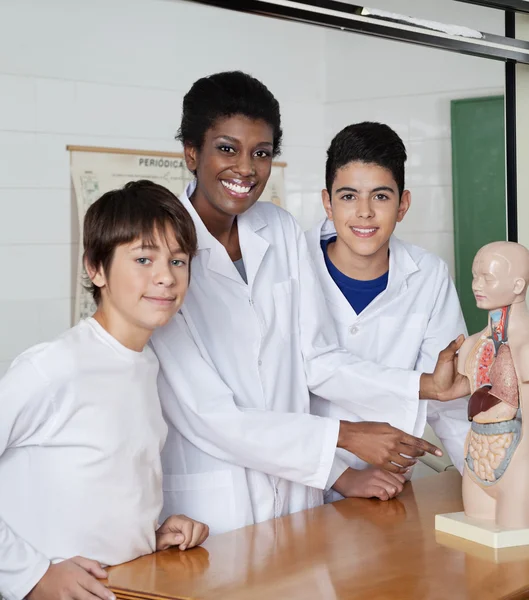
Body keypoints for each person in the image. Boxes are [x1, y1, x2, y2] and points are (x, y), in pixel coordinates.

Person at [151, 71, 469, 536]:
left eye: (261, 153)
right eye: (226, 148)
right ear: (191, 152)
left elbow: (314, 359)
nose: (245, 168)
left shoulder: (277, 230)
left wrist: (424, 391)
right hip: (211, 507)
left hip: (298, 497)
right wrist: (344, 438)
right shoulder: (164, 250)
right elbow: (209, 415)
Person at [0, 181, 208, 600]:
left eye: (178, 261)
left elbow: (104, 482)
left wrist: (149, 532)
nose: (166, 277)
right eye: (144, 259)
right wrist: (32, 576)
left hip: (126, 587)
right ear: (96, 268)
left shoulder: (146, 365)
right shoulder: (52, 366)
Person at [306, 122, 470, 503]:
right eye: (348, 196)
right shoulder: (293, 268)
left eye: (380, 196)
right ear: (327, 203)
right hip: (302, 485)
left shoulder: (428, 274)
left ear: (403, 204)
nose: (364, 213)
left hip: (389, 489)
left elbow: (449, 403)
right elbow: (297, 379)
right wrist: (338, 474)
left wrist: (489, 483)